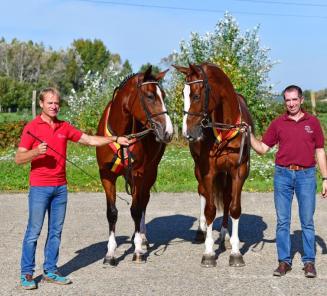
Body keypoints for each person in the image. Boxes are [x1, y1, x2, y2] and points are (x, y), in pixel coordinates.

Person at [16, 87, 132, 290]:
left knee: (55, 232)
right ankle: (27, 273)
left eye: (56, 103)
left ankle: (50, 271)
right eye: (50, 103)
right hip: (39, 188)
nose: (54, 106)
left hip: (60, 188)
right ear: (41, 104)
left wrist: (115, 139)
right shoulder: (31, 127)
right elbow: (18, 158)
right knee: (33, 231)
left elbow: (88, 139)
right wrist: (35, 152)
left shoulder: (63, 127)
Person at [249, 85, 327, 278]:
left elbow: (319, 151)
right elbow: (262, 148)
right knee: (283, 222)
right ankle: (284, 261)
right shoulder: (278, 124)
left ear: (301, 100)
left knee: (307, 222)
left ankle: (309, 262)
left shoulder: (313, 123)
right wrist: (248, 133)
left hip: (307, 176)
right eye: (287, 100)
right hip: (282, 175)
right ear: (284, 102)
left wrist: (325, 178)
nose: (291, 103)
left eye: (294, 99)